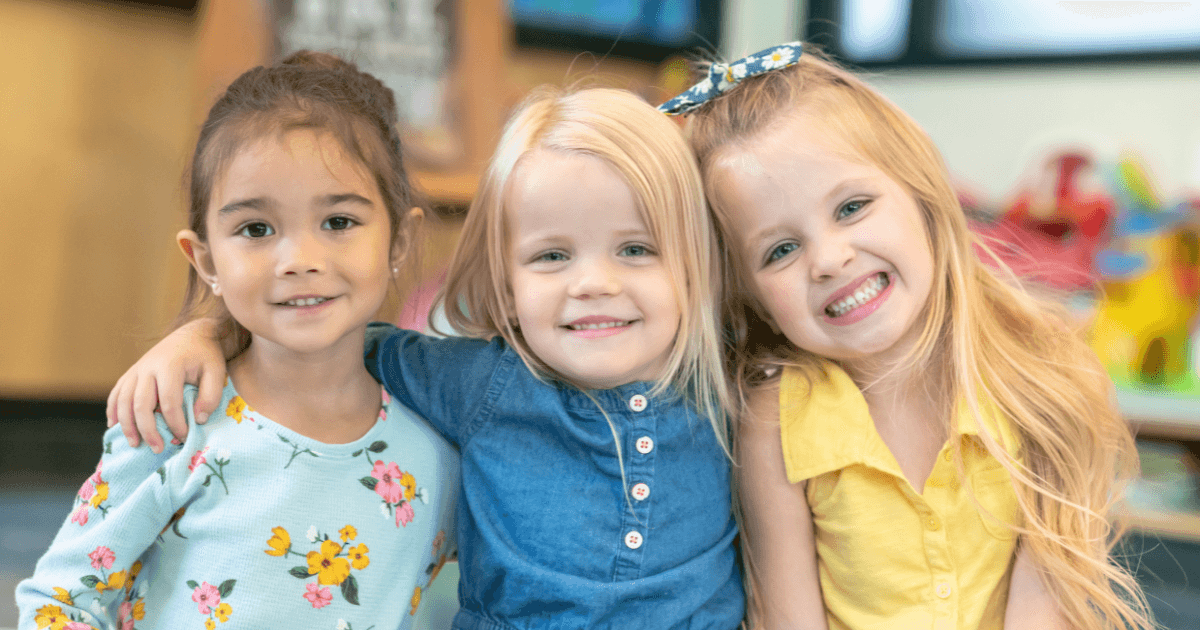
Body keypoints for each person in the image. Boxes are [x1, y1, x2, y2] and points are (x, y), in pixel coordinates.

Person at [102, 86, 745, 629]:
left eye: (636, 249)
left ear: (696, 265)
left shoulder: (733, 384)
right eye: (552, 256)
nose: (594, 283)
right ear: (507, 287)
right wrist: (206, 333)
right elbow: (328, 338)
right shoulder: (480, 383)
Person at [660, 42, 1152, 630]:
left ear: (920, 191)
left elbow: (1043, 608)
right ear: (748, 293)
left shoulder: (1042, 371)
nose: (829, 260)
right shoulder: (774, 422)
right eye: (781, 249)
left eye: (851, 207)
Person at [17, 52, 459, 629]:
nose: (299, 259)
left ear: (400, 240)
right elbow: (60, 601)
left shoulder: (438, 441)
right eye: (256, 229)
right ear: (206, 261)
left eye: (338, 222)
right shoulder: (172, 421)